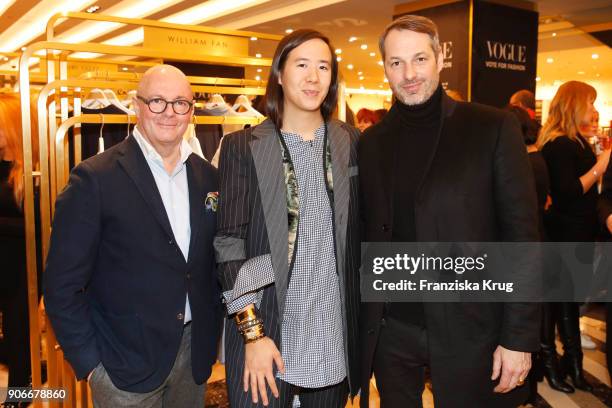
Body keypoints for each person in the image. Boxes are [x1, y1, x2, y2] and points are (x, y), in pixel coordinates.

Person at [359, 15, 540, 407]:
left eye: (420, 59)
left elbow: (523, 240)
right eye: (396, 62)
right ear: (385, 68)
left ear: (440, 58)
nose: (409, 73)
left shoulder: (491, 128)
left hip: (472, 332)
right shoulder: (370, 143)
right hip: (391, 334)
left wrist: (518, 339)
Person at [44, 65, 221, 408]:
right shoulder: (94, 179)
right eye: (157, 101)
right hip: (121, 365)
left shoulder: (209, 178)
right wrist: (92, 365)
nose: (169, 112)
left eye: (180, 103)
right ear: (137, 105)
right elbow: (61, 285)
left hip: (192, 356)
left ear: (191, 111)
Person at [214, 29, 360, 407]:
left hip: (332, 337)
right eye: (302, 64)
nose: (313, 77)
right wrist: (252, 334)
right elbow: (228, 242)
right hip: (267, 330)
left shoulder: (350, 142)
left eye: (323, 67)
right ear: (279, 73)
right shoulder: (243, 146)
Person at [538, 81, 610, 393]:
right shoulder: (558, 144)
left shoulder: (576, 141)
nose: (594, 110)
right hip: (563, 234)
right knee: (559, 304)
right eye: (590, 103)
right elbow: (567, 192)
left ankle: (573, 365)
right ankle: (554, 365)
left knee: (569, 302)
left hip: (577, 234)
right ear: (574, 104)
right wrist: (601, 165)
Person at [0, 94, 39, 408]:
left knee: (19, 334)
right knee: (14, 341)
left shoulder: (34, 172)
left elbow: (36, 228)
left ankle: (19, 394)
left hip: (22, 269)